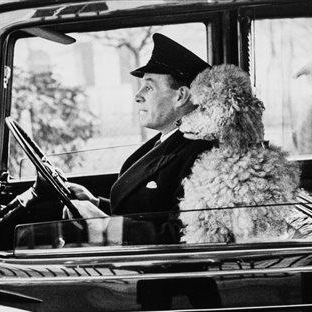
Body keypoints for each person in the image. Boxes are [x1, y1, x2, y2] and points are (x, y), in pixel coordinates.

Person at [64, 33, 213, 246]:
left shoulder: (202, 154)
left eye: (149, 87)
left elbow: (179, 238)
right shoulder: (169, 139)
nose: (138, 95)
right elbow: (147, 212)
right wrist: (97, 205)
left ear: (180, 96)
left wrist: (105, 226)